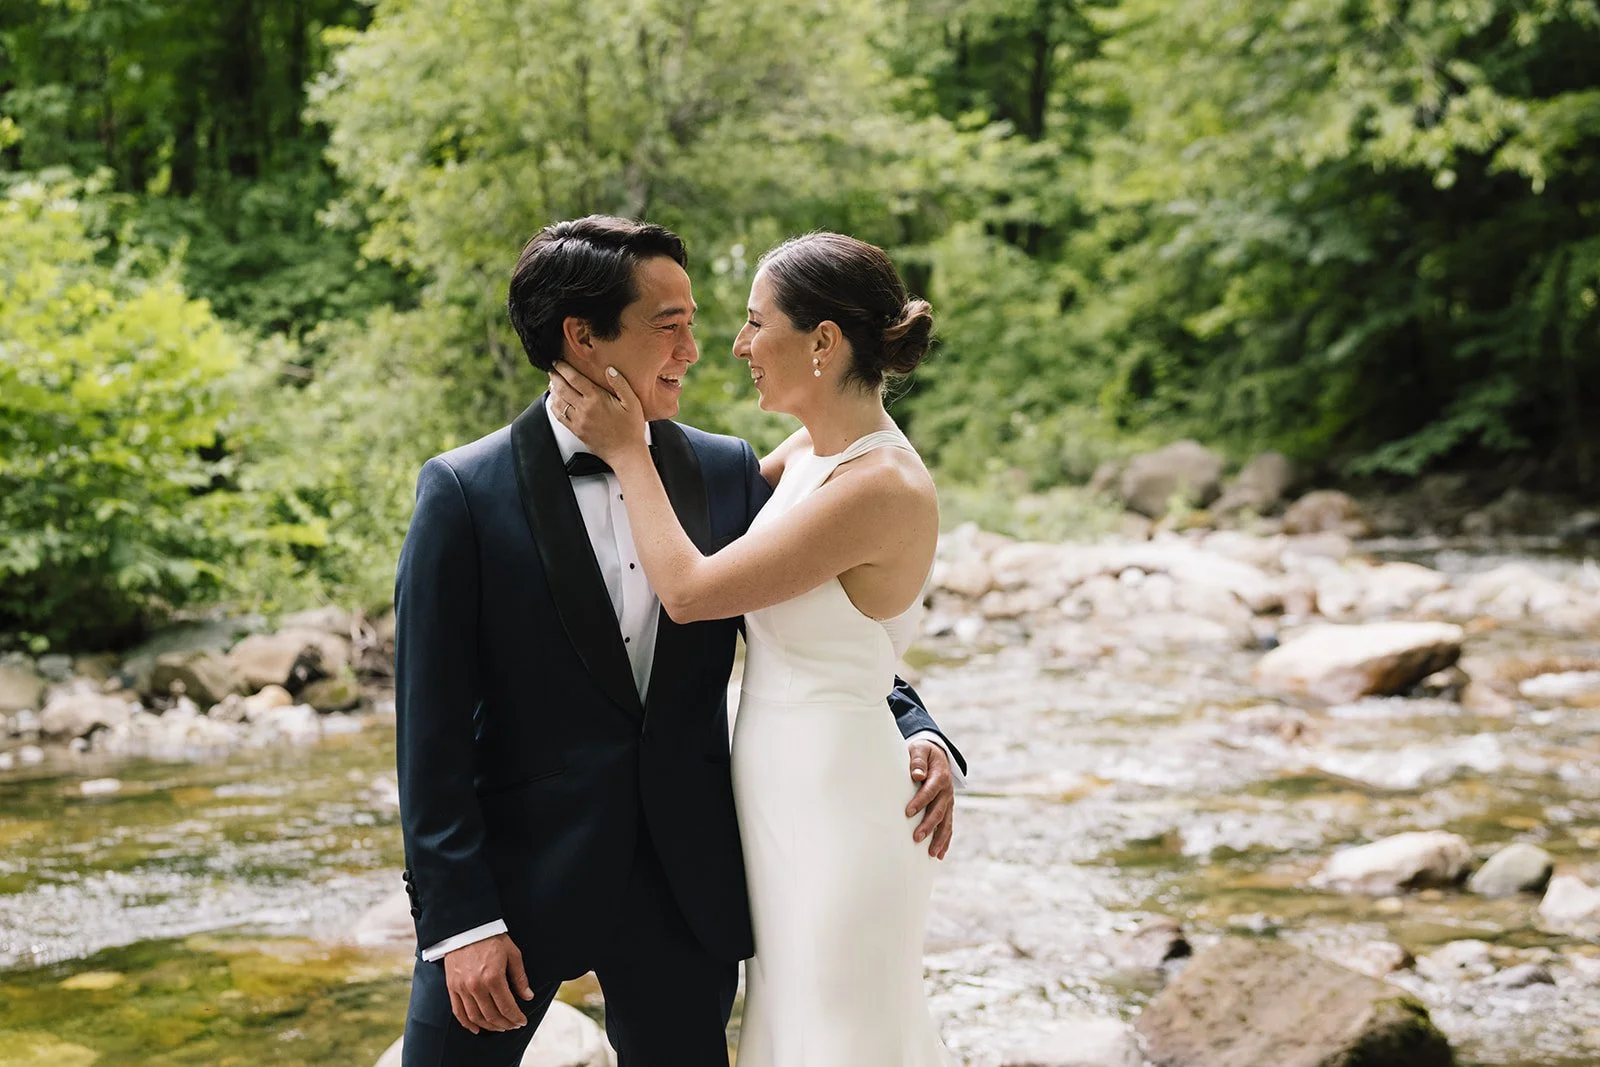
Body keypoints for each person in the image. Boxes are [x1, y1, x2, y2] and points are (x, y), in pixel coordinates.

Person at [394, 216, 965, 1067]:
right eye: (671, 325)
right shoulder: (464, 493)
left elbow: (832, 611)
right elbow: (426, 727)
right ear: (582, 337)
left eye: (709, 321)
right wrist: (459, 920)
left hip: (684, 885)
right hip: (513, 887)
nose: (700, 349)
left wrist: (913, 724)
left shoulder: (728, 470)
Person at [548, 230, 955, 1065]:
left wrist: (625, 449)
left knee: (839, 1031)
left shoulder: (882, 484)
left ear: (823, 341)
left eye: (753, 321)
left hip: (840, 801)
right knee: (788, 1022)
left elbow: (694, 590)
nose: (735, 347)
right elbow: (703, 513)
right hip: (776, 793)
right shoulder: (811, 454)